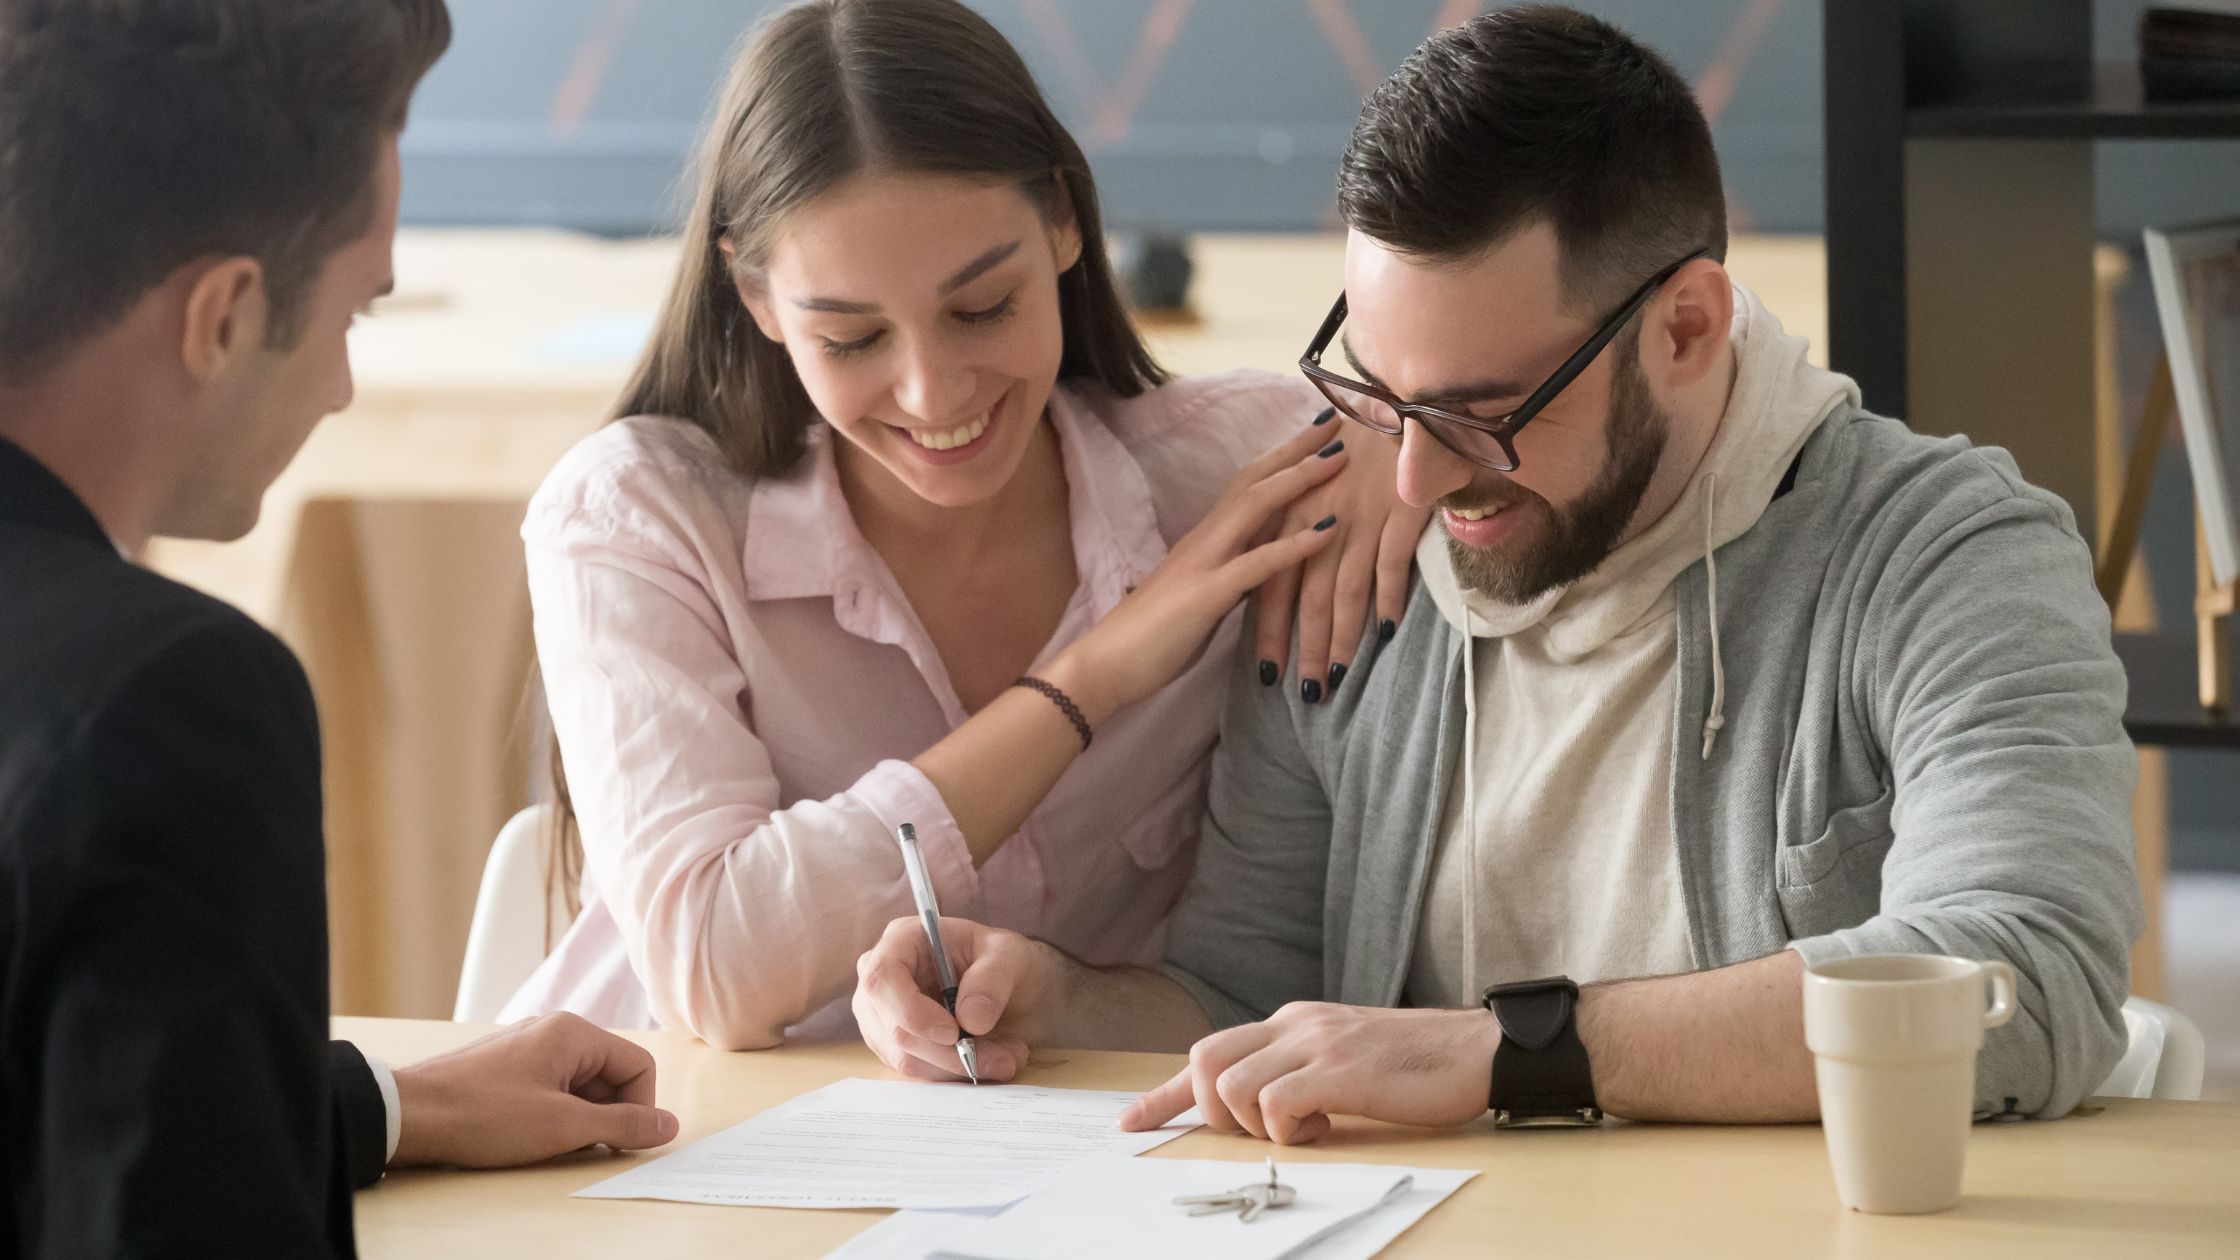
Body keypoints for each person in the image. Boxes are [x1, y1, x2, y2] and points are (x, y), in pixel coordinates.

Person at [852, 4, 2143, 1140]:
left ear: (1686, 328)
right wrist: (1058, 997)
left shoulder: (1945, 556)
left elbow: (2028, 982)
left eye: (1481, 412)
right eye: (1380, 394)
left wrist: (1502, 1054)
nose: (1414, 481)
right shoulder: (1351, 572)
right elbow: (1248, 995)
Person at [502, 0, 1424, 1049]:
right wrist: (1090, 679)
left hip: (1088, 1132)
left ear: (1064, 223)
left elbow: (1453, 426)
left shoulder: (1244, 476)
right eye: (852, 338)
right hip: (674, 1124)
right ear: (756, 296)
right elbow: (712, 970)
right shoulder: (637, 515)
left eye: (982, 308)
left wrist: (1389, 433)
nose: (932, 393)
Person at [0, 4, 676, 1254]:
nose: (343, 387)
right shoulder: (168, 699)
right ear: (222, 316)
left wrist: (393, 1106)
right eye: (355, 312)